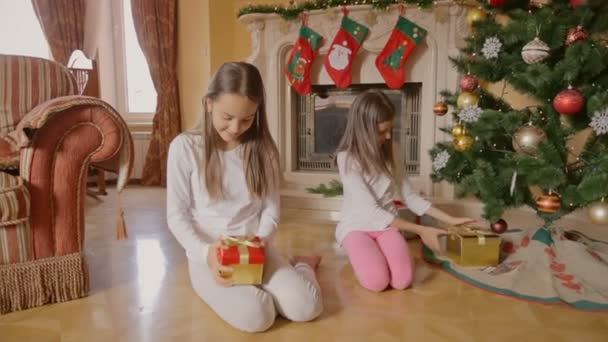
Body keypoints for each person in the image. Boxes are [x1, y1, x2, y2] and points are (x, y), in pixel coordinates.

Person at [167, 62, 322, 332]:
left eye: (247, 119)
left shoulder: (263, 151)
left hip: (256, 247)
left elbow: (271, 209)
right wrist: (208, 254)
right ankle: (253, 285)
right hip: (210, 255)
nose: (236, 127)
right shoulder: (185, 147)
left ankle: (302, 266)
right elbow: (176, 216)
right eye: (227, 117)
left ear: (257, 113)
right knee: (257, 316)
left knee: (307, 307)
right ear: (209, 103)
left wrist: (260, 243)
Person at [335, 89, 476, 292]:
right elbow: (371, 212)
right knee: (377, 283)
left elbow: (409, 196)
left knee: (402, 281)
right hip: (357, 226)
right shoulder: (347, 159)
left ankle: (374, 255)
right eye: (382, 131)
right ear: (364, 129)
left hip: (387, 225)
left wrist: (449, 220)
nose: (389, 135)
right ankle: (360, 253)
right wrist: (421, 230)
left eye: (391, 129)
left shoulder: (393, 149)